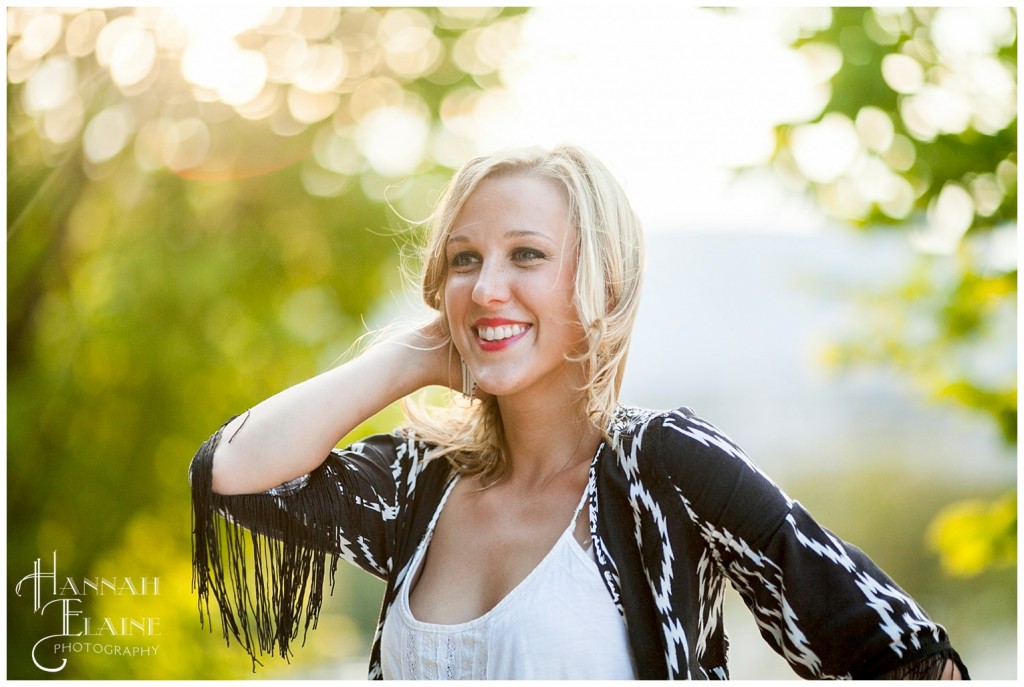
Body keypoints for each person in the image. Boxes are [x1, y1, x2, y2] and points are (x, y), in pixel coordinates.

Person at [190, 144, 968, 680]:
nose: (488, 285)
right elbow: (231, 473)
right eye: (465, 259)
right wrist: (414, 357)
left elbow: (910, 657)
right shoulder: (418, 480)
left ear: (599, 283)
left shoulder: (662, 466)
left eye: (526, 254)